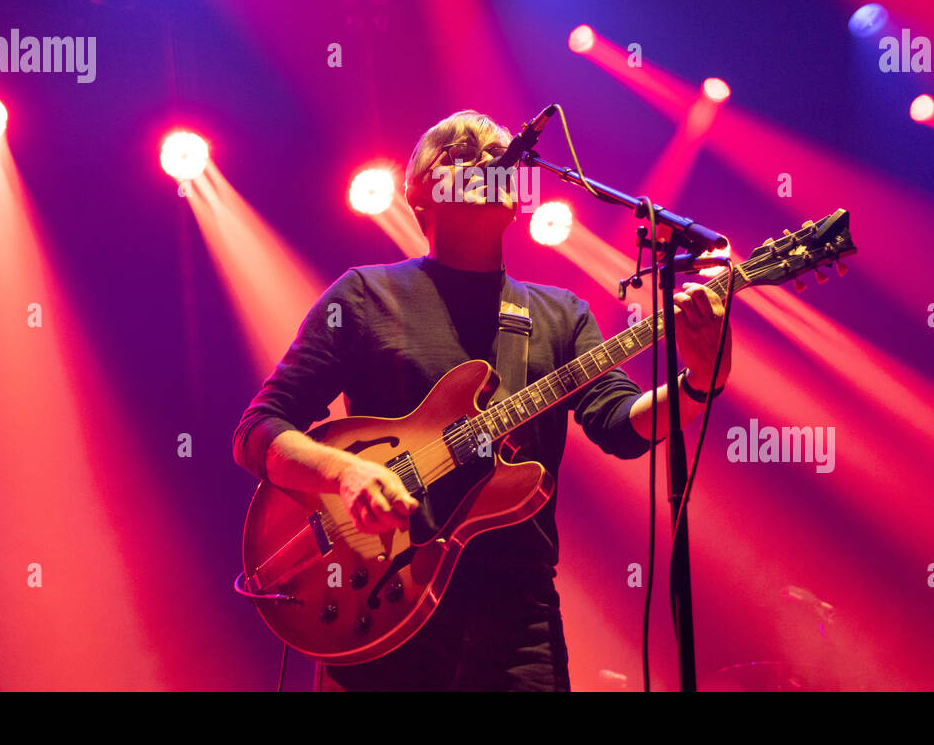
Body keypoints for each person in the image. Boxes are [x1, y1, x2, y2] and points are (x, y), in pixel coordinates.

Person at [232, 109, 732, 691]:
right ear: (418, 198)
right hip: (377, 609)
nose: (479, 160)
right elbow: (258, 429)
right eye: (456, 153)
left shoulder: (559, 314)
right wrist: (345, 475)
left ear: (516, 197)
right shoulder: (366, 295)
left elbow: (621, 425)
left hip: (518, 623)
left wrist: (701, 379)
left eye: (495, 156)